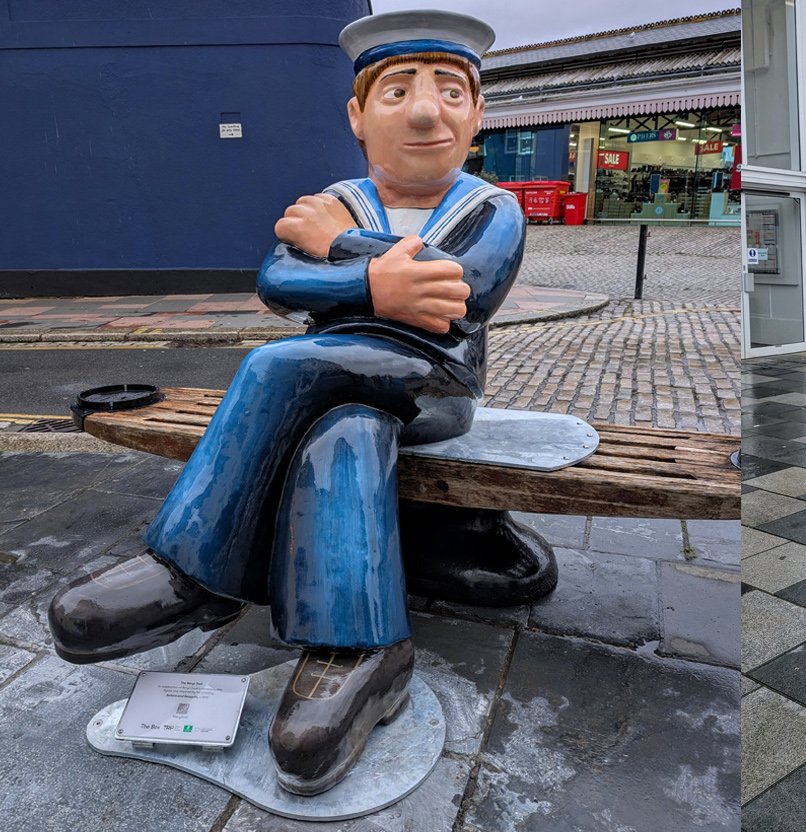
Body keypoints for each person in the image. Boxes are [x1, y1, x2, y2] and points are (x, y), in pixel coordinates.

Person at [46, 9, 524, 795]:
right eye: (398, 90)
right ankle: (363, 654)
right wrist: (377, 281)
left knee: (278, 366)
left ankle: (196, 572)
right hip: (341, 382)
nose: (426, 110)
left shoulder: (488, 207)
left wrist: (346, 251)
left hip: (433, 384)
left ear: (476, 114)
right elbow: (278, 280)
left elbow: (456, 297)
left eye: (449, 91)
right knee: (342, 431)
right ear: (358, 116)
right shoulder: (336, 194)